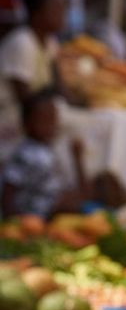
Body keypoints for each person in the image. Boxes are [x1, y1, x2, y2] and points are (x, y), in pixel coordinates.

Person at [0, 0, 67, 163]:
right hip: (12, 115)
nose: (63, 15)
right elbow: (25, 98)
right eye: (56, 9)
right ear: (37, 14)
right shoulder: (22, 42)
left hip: (36, 110)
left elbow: (59, 84)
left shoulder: (50, 43)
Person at [1, 89, 85, 219]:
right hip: (29, 218)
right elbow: (9, 189)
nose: (51, 126)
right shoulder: (25, 154)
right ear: (27, 124)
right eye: (44, 121)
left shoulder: (47, 151)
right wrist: (12, 220)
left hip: (46, 215)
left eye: (53, 120)